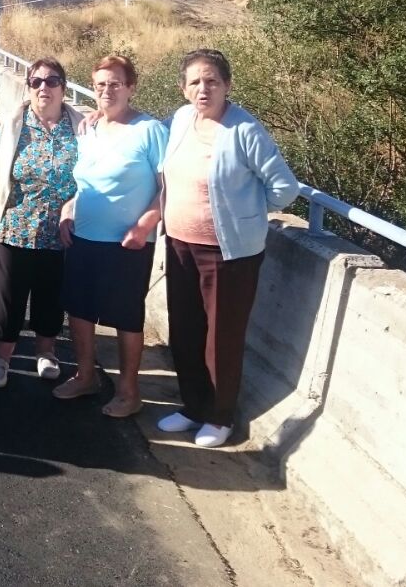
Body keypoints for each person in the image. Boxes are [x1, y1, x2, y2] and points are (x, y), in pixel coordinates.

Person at [158, 49, 299, 448]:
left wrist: (246, 214)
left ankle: (220, 417)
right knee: (185, 330)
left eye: (212, 81)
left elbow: (284, 188)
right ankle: (193, 407)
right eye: (195, 82)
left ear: (227, 85)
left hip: (228, 253)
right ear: (183, 88)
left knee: (221, 338)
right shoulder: (180, 120)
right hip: (180, 244)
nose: (203, 89)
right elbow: (150, 142)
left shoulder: (244, 130)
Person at [55, 54, 168, 418]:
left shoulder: (150, 131)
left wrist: (144, 226)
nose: (107, 91)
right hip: (83, 236)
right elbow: (84, 182)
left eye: (115, 84)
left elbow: (167, 187)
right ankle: (85, 376)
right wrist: (68, 211)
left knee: (126, 318)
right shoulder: (88, 128)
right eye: (100, 84)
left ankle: (129, 392)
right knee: (79, 311)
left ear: (131, 88)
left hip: (128, 242)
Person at [0, 56, 85, 388]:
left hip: (61, 230)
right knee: (6, 297)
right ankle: (1, 358)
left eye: (52, 81)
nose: (43, 87)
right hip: (14, 227)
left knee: (51, 296)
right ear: (28, 87)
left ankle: (46, 353)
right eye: (36, 81)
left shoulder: (82, 128)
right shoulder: (10, 124)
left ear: (63, 88)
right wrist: (11, 200)